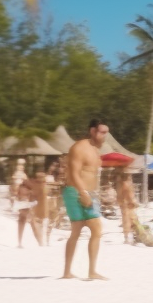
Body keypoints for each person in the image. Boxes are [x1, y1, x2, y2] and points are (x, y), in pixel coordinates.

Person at [61, 119, 108, 280]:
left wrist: (94, 192)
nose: (104, 135)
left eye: (106, 132)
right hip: (76, 191)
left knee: (82, 230)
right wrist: (83, 192)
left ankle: (75, 271)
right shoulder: (79, 147)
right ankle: (79, 271)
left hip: (88, 192)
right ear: (92, 131)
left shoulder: (96, 150)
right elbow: (74, 173)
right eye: (101, 132)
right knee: (91, 229)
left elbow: (92, 174)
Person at [13, 177, 39, 248]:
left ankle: (19, 243)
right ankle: (40, 242)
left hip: (21, 207)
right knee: (33, 225)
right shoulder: (27, 189)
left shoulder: (20, 188)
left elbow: (17, 196)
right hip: (26, 207)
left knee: (21, 225)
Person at [30, 170, 50, 246]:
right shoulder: (45, 186)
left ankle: (40, 242)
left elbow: (32, 196)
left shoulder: (37, 186)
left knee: (36, 224)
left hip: (37, 207)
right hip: (43, 207)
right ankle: (41, 242)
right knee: (39, 224)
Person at [116, 169, 136, 244]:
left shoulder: (120, 184)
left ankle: (126, 237)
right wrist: (132, 201)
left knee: (126, 220)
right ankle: (129, 237)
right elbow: (129, 194)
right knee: (130, 220)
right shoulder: (126, 184)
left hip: (122, 203)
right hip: (127, 203)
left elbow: (119, 196)